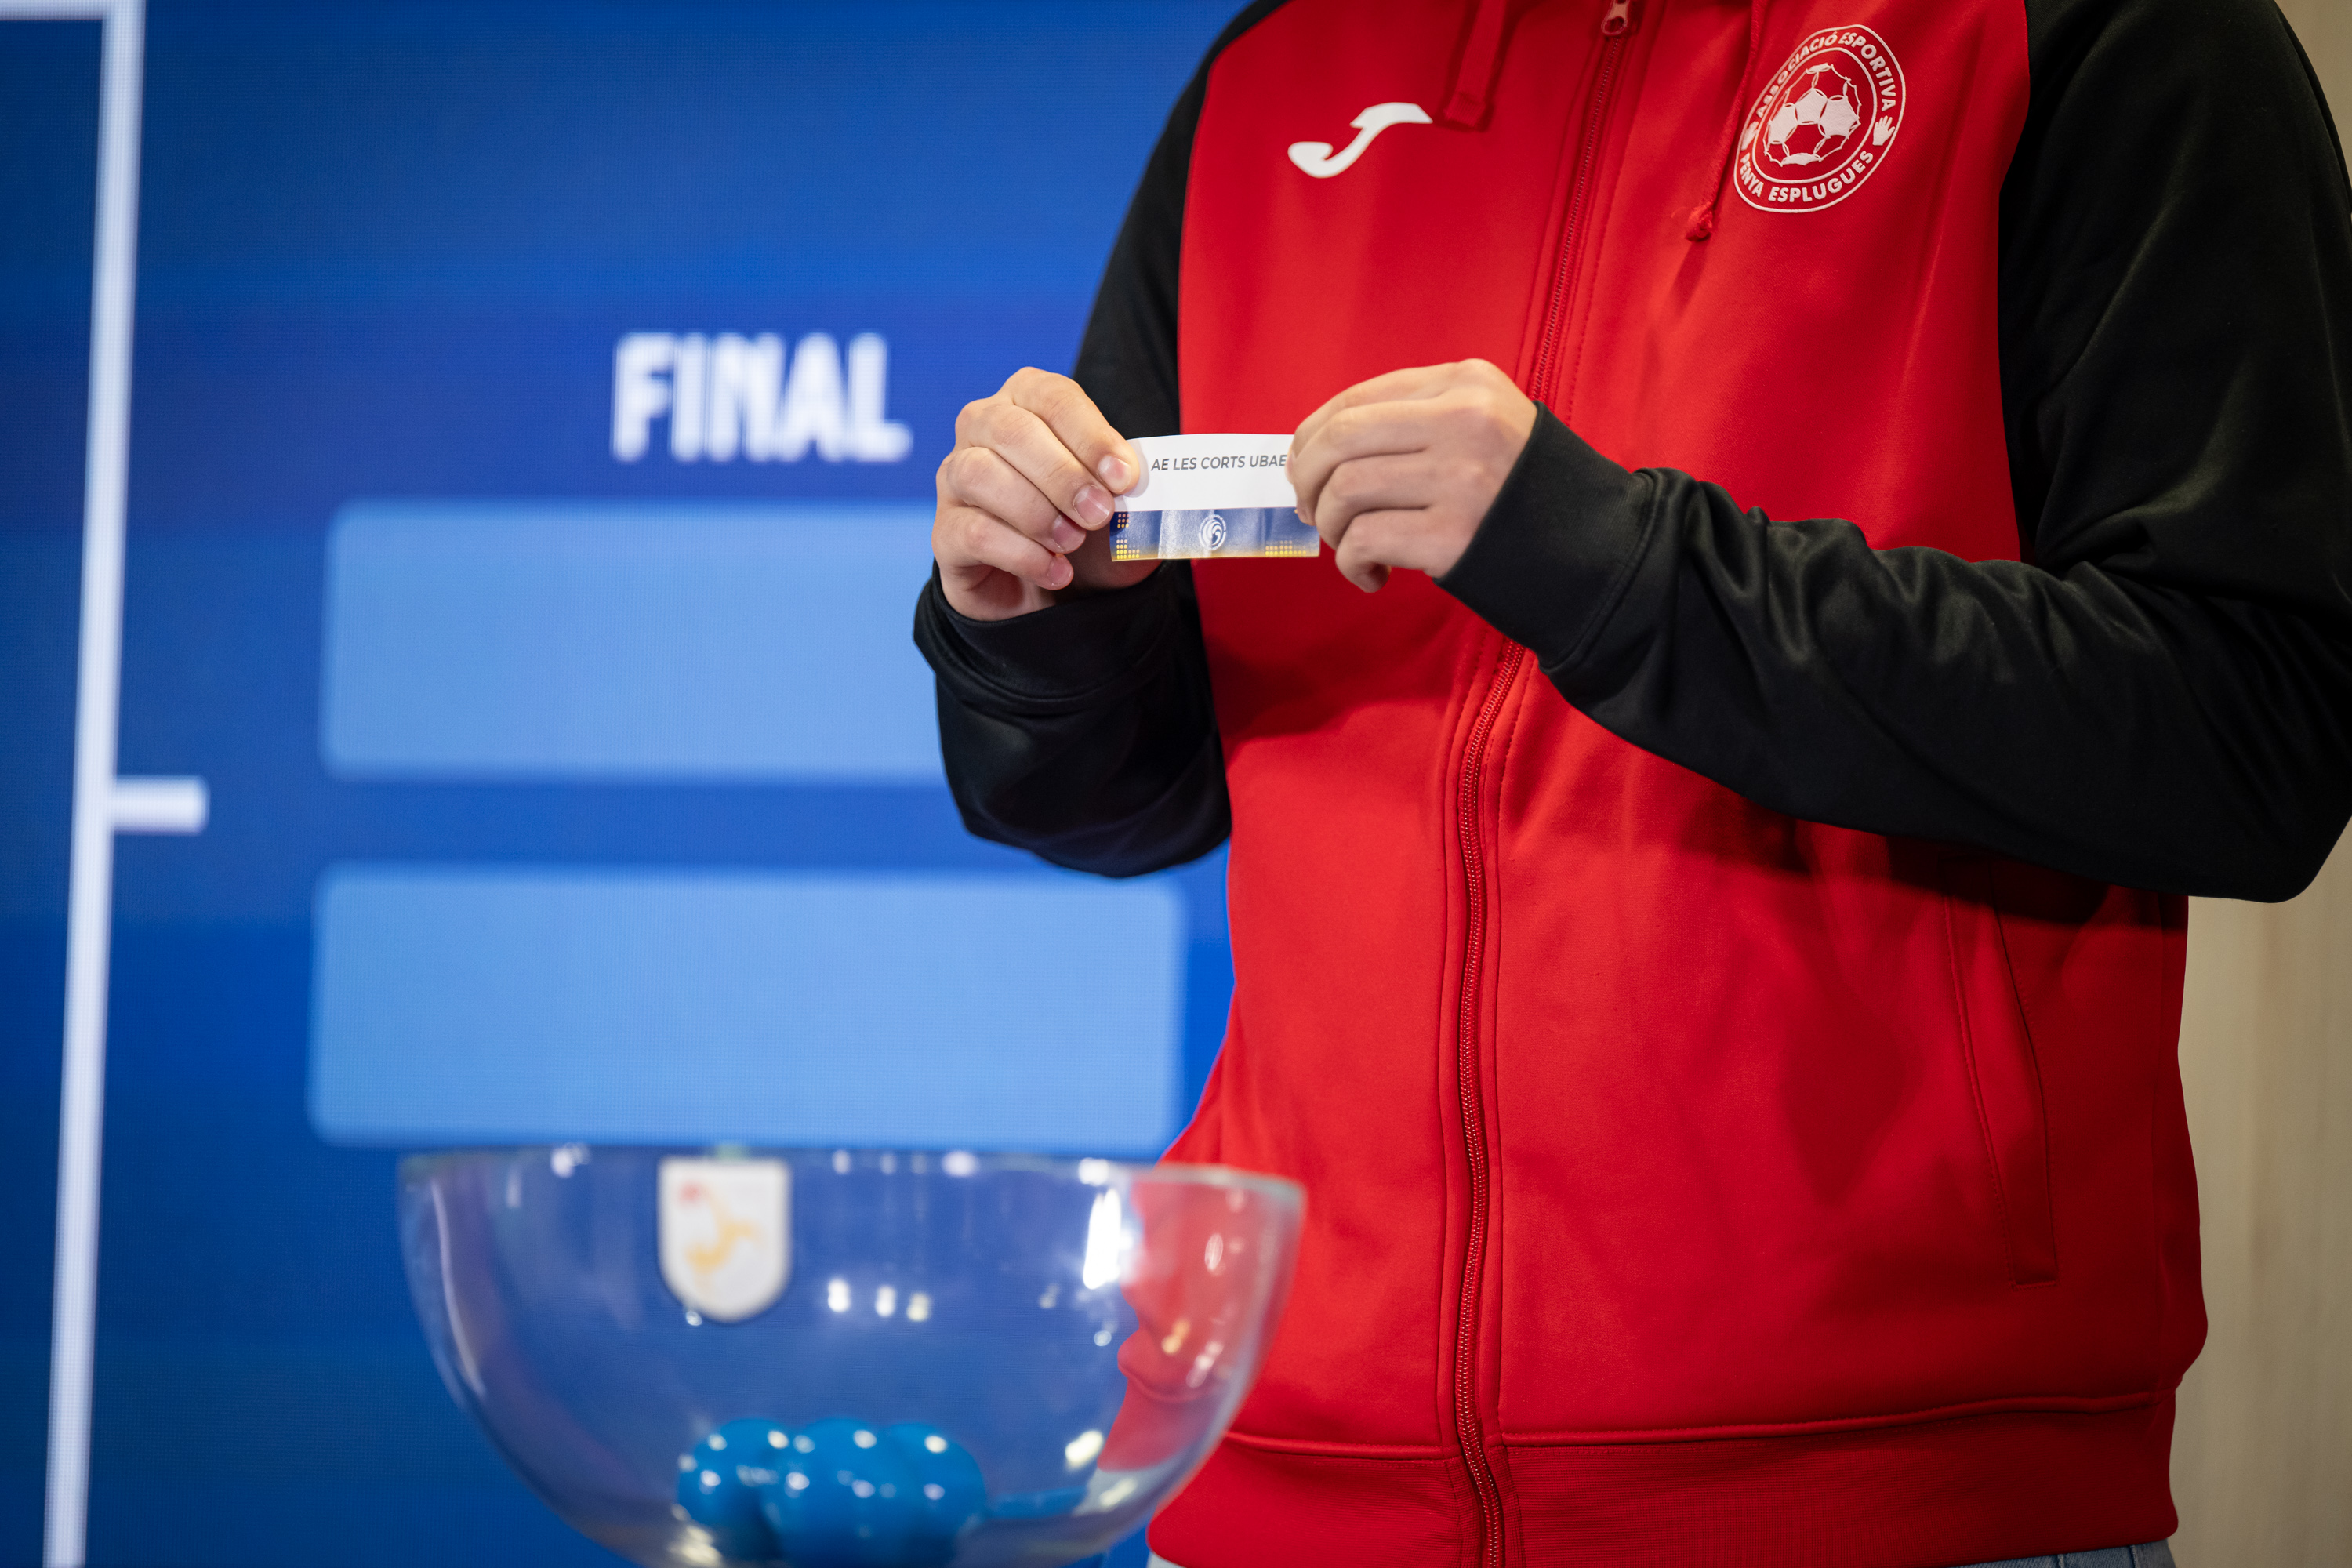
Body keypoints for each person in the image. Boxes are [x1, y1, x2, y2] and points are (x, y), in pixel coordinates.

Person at [913, 0, 2352, 1563]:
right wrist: (1035, 618)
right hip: (1282, 1481)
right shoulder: (1277, 71)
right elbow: (1113, 799)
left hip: (1884, 1491)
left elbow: (2249, 733)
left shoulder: (2103, 28)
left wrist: (1616, 567)